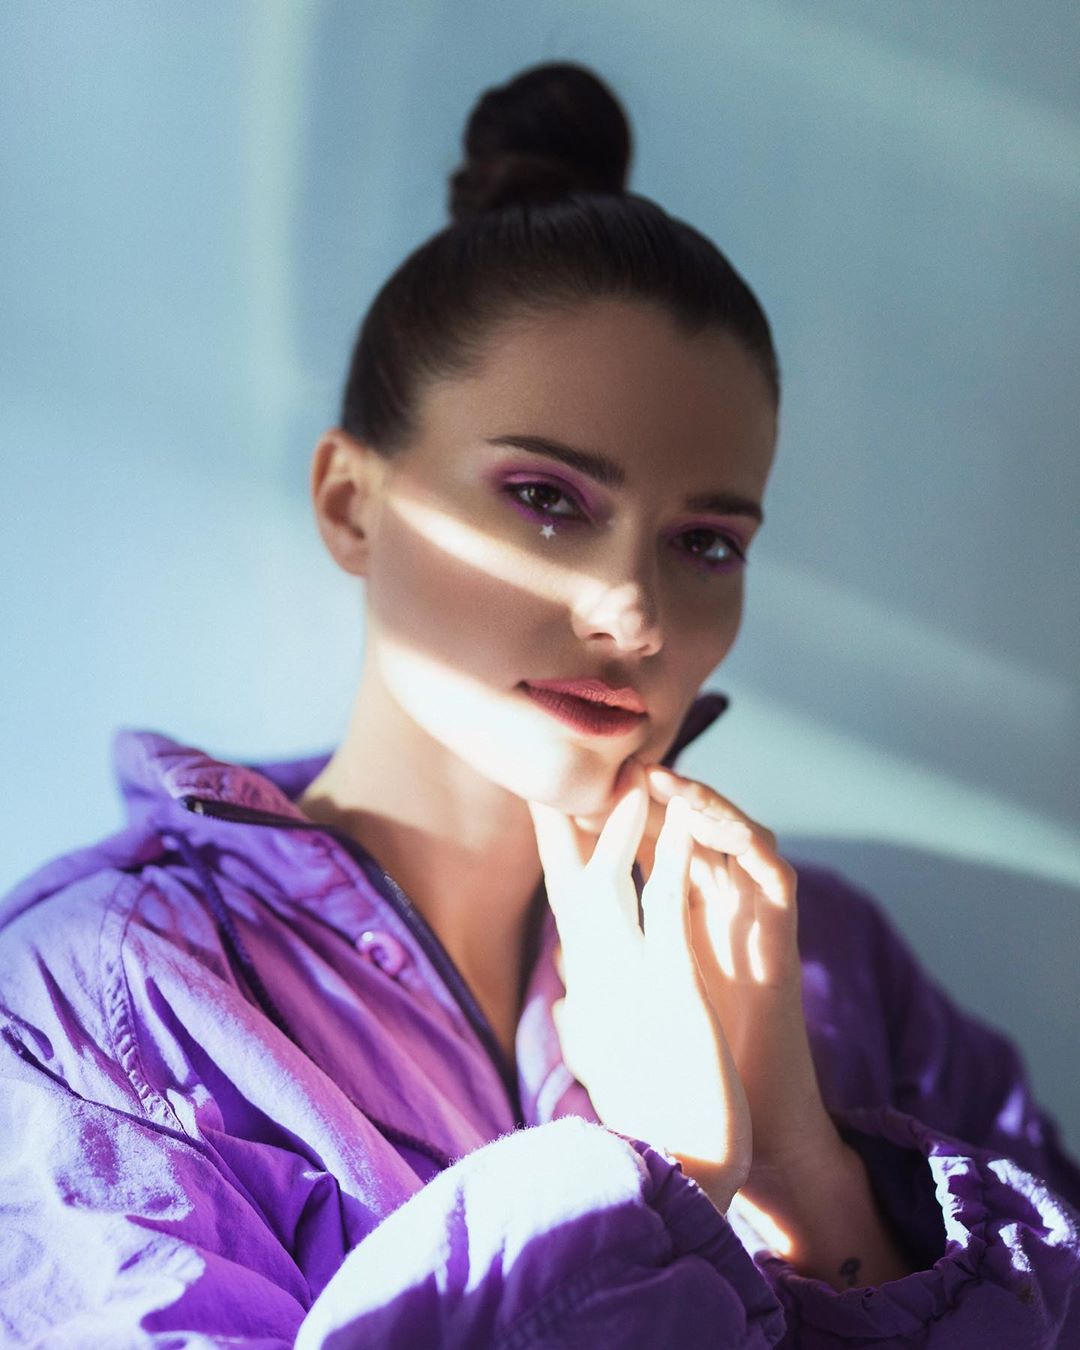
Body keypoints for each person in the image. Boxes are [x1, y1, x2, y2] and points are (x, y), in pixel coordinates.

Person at [1, 62, 1077, 1349]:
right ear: (351, 503)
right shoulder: (94, 1004)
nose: (634, 613)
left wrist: (810, 1173)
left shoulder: (828, 966)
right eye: (548, 499)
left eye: (707, 542)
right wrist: (660, 1177)